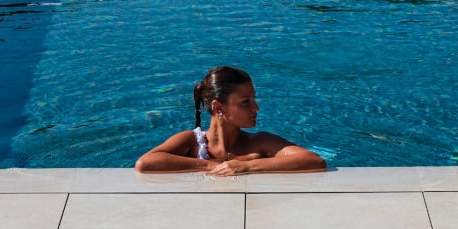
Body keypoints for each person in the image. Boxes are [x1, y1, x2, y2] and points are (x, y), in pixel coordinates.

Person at [134, 65, 327, 175]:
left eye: (254, 99)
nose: (256, 108)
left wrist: (247, 165)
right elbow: (145, 163)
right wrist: (210, 164)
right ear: (218, 107)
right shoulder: (192, 143)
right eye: (246, 102)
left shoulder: (259, 142)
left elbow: (314, 160)